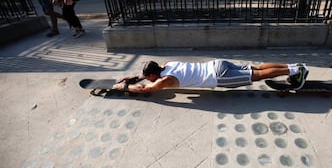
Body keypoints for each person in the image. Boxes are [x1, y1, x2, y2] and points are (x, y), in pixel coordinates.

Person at [112, 59, 309, 93]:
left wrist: (124, 86)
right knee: (256, 67)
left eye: (149, 77)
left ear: (154, 75)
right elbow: (147, 76)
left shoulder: (165, 81)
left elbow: (146, 90)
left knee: (257, 75)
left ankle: (296, 72)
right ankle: (294, 66)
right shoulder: (167, 64)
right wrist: (132, 77)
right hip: (217, 64)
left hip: (219, 77)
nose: (147, 79)